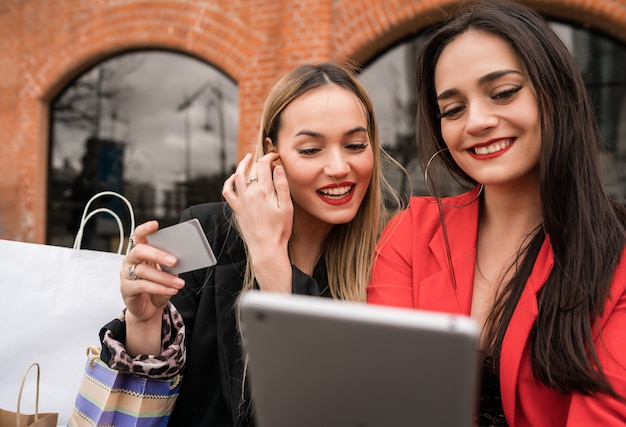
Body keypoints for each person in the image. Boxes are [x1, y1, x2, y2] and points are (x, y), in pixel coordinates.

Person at [367, 1, 626, 426]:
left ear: (554, 91)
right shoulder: (410, 233)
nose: (477, 122)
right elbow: (387, 396)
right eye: (452, 109)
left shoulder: (615, 256)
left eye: (503, 93)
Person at [99, 62, 401, 426]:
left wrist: (271, 261)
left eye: (355, 145)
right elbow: (145, 406)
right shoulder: (206, 230)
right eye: (310, 150)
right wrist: (144, 322)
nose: (338, 167)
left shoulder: (389, 256)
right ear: (273, 152)